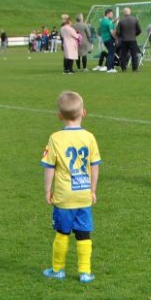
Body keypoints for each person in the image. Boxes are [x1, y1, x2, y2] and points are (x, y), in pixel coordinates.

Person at [40, 90, 101, 284]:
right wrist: (92, 189)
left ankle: (58, 270)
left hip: (64, 196)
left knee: (62, 233)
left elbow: (49, 167)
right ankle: (85, 272)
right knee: (84, 234)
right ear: (84, 112)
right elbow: (95, 165)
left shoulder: (55, 138)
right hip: (83, 194)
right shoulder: (89, 137)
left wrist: (47, 190)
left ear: (59, 115)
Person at [116, 7, 142, 72]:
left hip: (124, 40)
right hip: (132, 39)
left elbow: (117, 32)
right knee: (134, 54)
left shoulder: (121, 21)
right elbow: (139, 30)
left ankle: (123, 68)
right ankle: (135, 68)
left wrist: (122, 36)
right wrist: (134, 34)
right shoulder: (135, 20)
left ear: (124, 13)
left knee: (123, 55)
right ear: (130, 12)